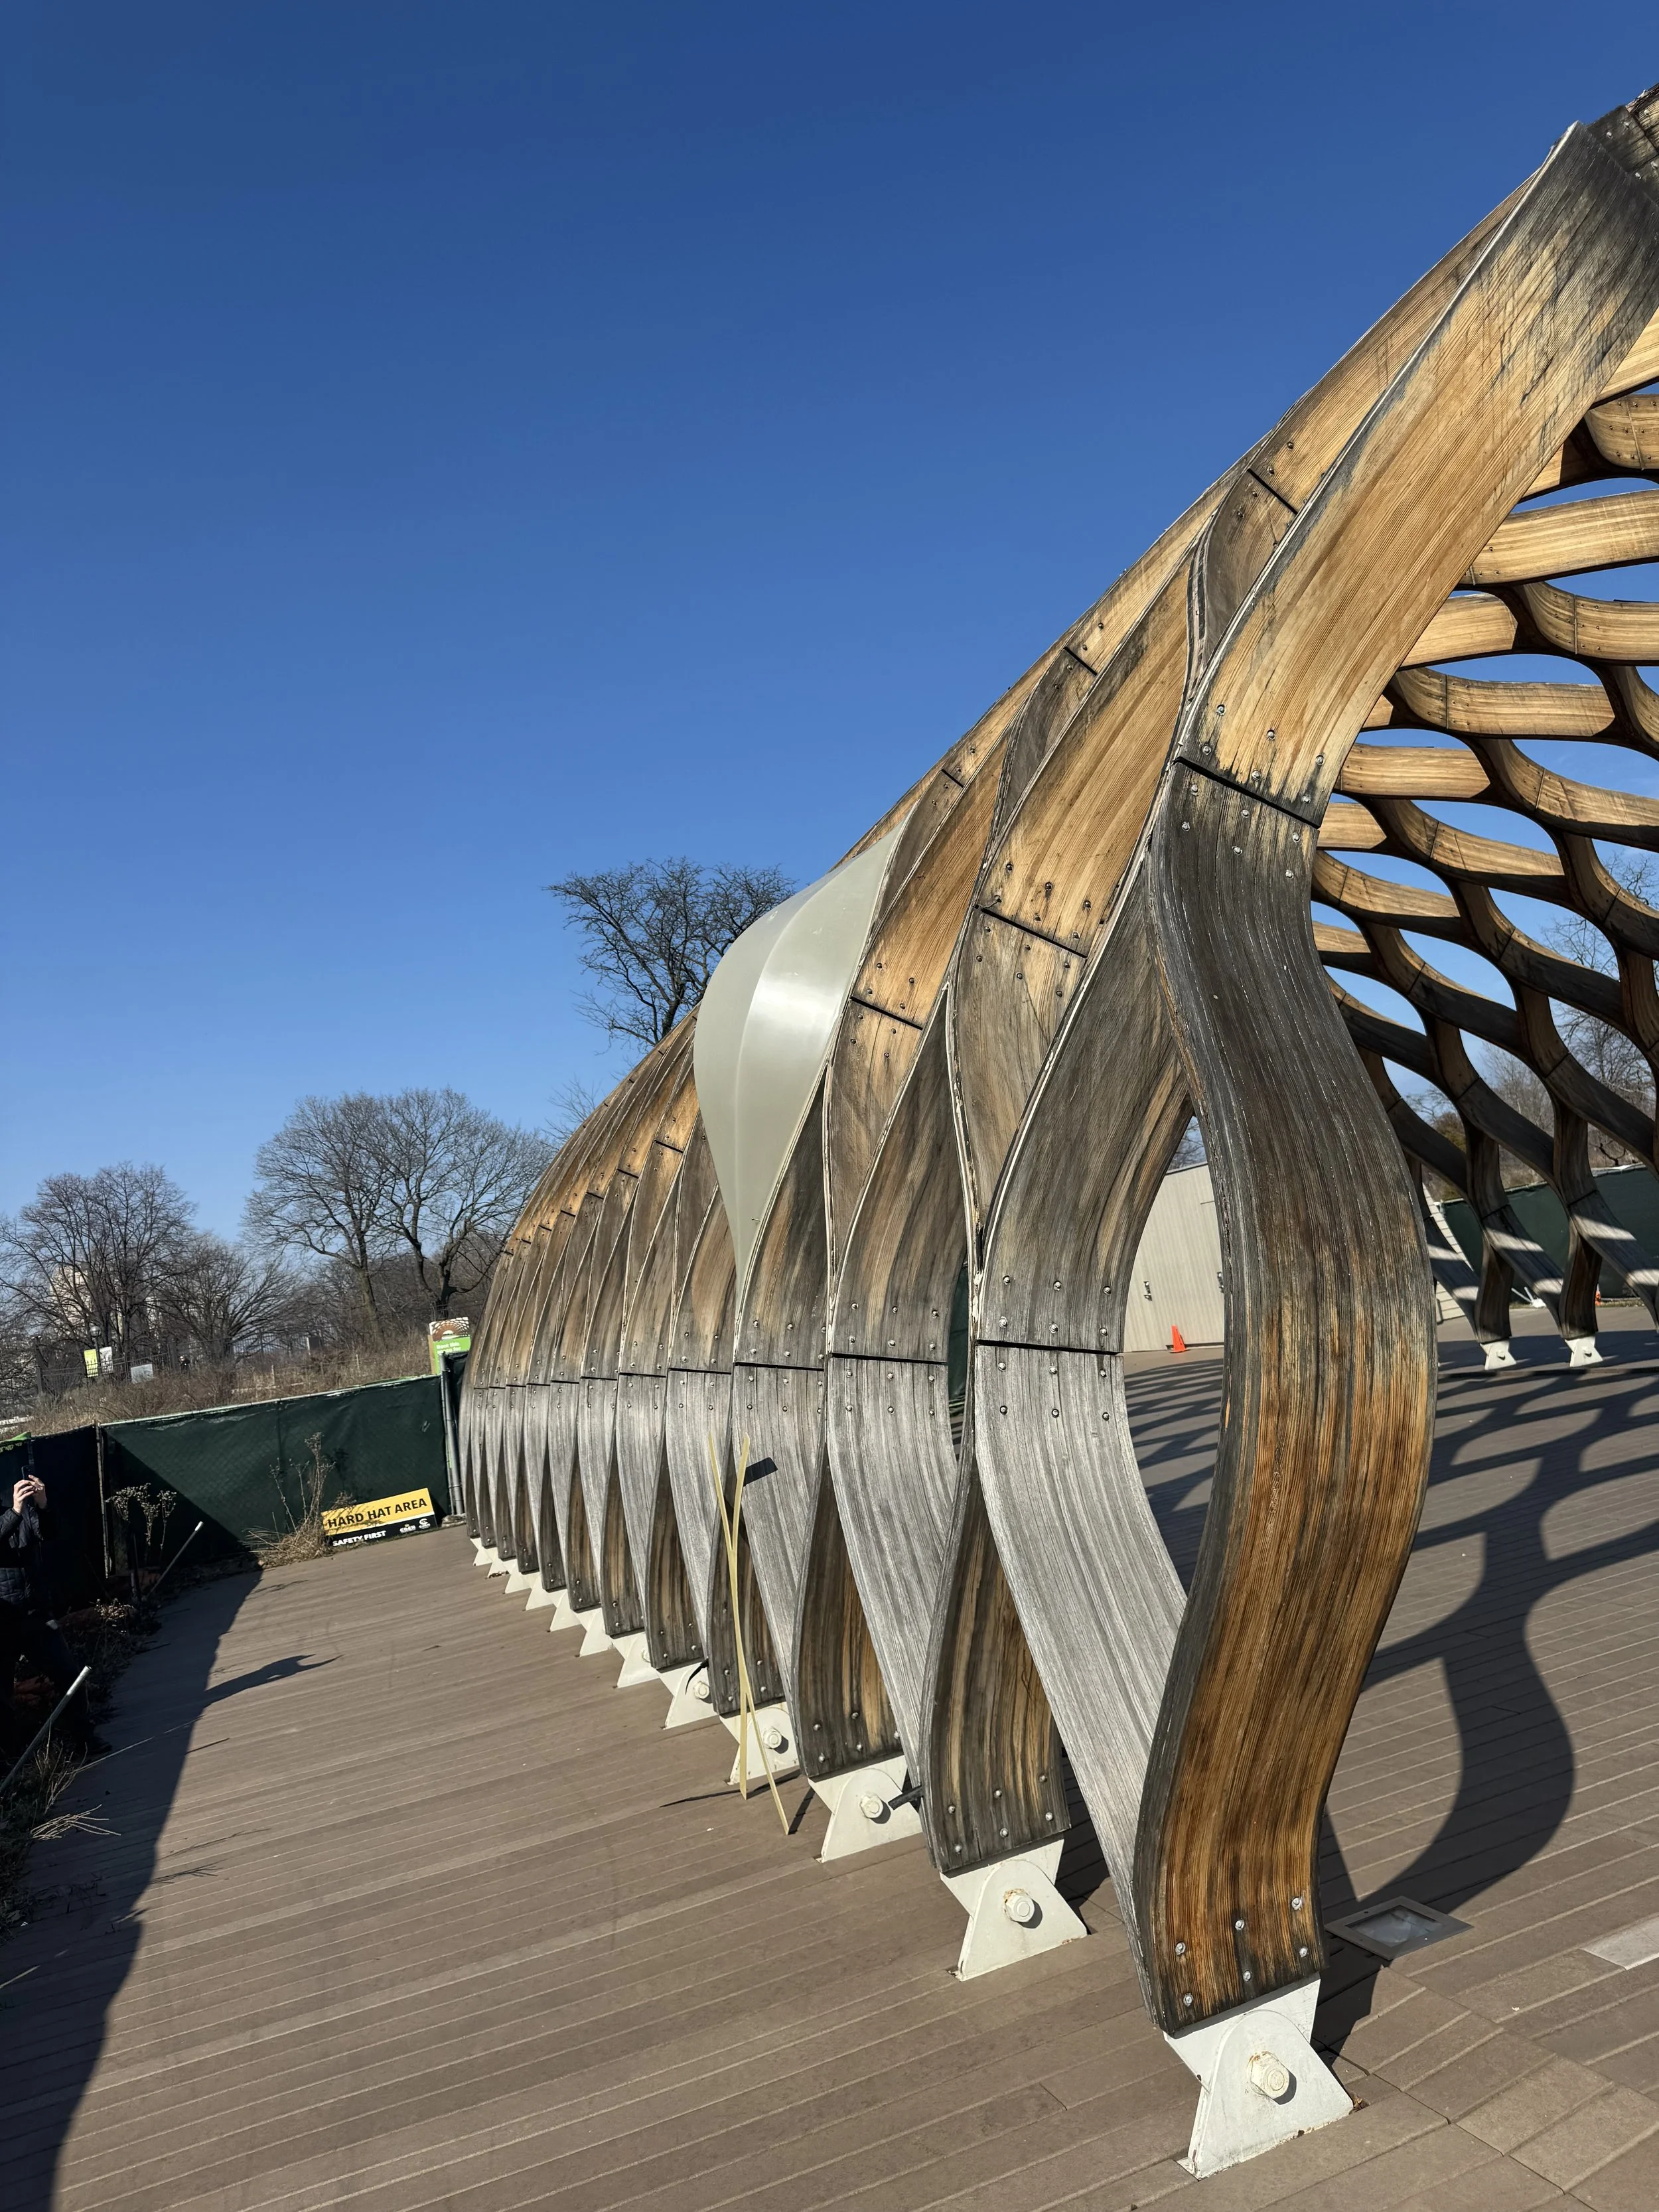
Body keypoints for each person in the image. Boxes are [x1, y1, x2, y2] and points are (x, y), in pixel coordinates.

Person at [0, 1454, 106, 1757]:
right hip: (3, 1621)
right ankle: (10, 1759)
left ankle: (85, 1739)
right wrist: (15, 1513)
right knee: (1, 1698)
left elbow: (51, 1533)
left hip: (36, 1616)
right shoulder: (14, 1515)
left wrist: (43, 1504)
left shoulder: (25, 1514)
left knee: (69, 1676)